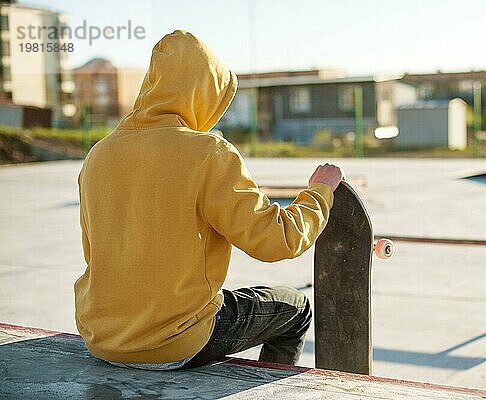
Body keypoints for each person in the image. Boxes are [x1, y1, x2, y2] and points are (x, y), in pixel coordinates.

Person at [74, 30, 344, 371]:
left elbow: (95, 250)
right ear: (204, 95)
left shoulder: (99, 154)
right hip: (175, 341)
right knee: (296, 308)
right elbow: (277, 241)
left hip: (102, 337)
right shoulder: (208, 153)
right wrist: (319, 193)